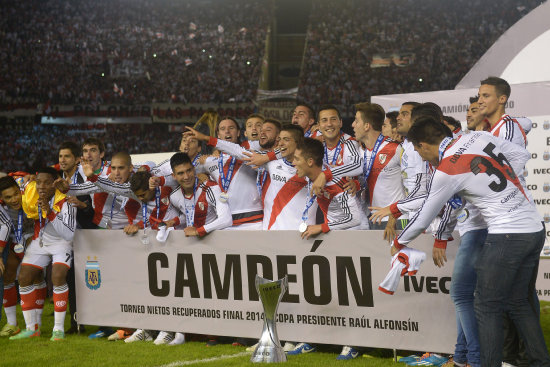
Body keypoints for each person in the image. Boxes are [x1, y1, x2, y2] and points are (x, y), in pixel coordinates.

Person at [392, 116, 550, 367]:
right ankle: (541, 362)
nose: (423, 159)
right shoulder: (477, 137)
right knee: (518, 301)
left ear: (423, 145)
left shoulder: (447, 170)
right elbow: (521, 155)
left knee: (486, 306)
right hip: (534, 227)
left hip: (507, 234)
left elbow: (423, 218)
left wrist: (399, 241)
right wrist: (508, 185)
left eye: (420, 153)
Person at [10, 167, 77, 341]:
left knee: (58, 275)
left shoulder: (66, 201)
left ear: (55, 184)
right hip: (41, 241)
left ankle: (58, 329)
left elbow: (69, 234)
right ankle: (32, 328)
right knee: (24, 277)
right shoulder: (32, 192)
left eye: (47, 183)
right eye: (39, 182)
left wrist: (50, 211)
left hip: (62, 243)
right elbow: (13, 181)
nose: (41, 186)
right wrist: (25, 179)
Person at [0, 176, 37, 337]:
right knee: (7, 275)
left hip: (33, 236)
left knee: (32, 277)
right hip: (13, 241)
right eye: (8, 197)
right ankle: (12, 324)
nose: (14, 199)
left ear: (19, 189)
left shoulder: (29, 192)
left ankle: (36, 322)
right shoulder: (2, 208)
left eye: (16, 194)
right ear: (2, 198)